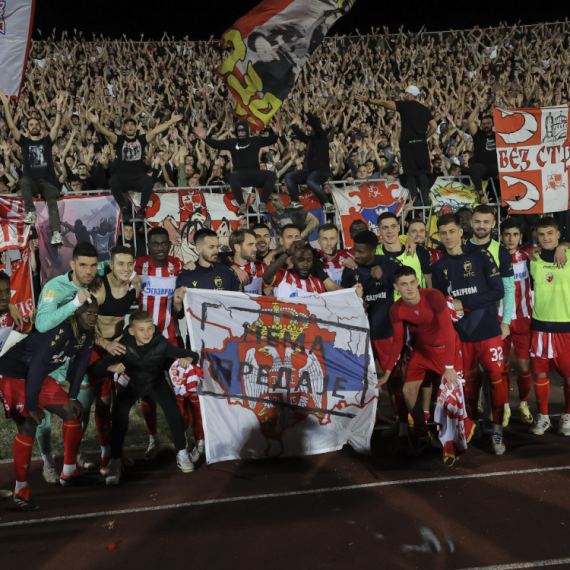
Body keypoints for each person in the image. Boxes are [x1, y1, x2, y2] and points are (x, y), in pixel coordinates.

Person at [0, 300, 99, 510]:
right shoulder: (60, 330)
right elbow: (37, 364)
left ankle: (69, 472)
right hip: (13, 374)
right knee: (28, 425)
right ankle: (21, 489)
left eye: (95, 313)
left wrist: (73, 396)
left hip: (38, 377)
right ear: (74, 314)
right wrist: (33, 404)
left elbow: (81, 363)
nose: (93, 317)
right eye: (88, 313)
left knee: (72, 413)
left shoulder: (87, 333)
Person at [93, 310, 197, 484]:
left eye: (150, 328)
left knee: (174, 414)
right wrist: (111, 368)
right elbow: (98, 369)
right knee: (119, 421)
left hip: (156, 383)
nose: (147, 333)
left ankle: (182, 452)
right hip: (131, 385)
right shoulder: (123, 345)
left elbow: (191, 355)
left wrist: (188, 358)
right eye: (142, 330)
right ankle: (116, 461)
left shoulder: (160, 343)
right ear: (132, 331)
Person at [432, 213, 507, 454]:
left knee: (496, 379)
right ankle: (470, 426)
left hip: (488, 331)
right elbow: (442, 305)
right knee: (469, 387)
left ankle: (496, 430)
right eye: (443, 233)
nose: (448, 237)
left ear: (461, 232)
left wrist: (464, 302)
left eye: (452, 231)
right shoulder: (439, 267)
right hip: (461, 336)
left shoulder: (481, 255)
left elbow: (497, 292)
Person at [378, 267, 467, 461]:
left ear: (418, 281)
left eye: (412, 282)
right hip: (422, 351)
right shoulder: (396, 309)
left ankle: (453, 444)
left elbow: (449, 332)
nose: (409, 288)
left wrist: (449, 368)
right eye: (404, 284)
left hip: (446, 350)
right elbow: (398, 342)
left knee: (452, 400)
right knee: (409, 391)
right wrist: (386, 372)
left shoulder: (434, 296)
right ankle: (421, 435)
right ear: (396, 287)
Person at [134, 226, 185, 459]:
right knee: (147, 393)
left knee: (180, 389)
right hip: (145, 343)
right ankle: (152, 438)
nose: (161, 247)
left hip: (171, 338)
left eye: (164, 243)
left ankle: (184, 440)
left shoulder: (179, 265)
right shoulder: (138, 265)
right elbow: (112, 267)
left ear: (169, 244)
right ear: (149, 246)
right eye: (156, 244)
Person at [90, 246, 141, 474]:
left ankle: (115, 451)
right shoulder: (100, 288)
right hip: (97, 349)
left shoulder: (133, 287)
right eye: (120, 263)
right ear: (111, 265)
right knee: (101, 403)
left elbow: (139, 285)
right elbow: (83, 324)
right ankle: (103, 456)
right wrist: (106, 344)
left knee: (119, 403)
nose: (125, 268)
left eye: (129, 264)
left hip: (117, 349)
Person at [86, 112, 183, 221]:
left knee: (148, 180)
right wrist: (97, 123)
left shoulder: (141, 139)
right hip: (123, 178)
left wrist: (171, 121)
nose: (130, 126)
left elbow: (156, 130)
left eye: (132, 124)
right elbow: (107, 133)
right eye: (128, 124)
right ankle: (124, 208)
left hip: (138, 178)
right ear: (124, 128)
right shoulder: (119, 140)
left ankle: (142, 209)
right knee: (113, 181)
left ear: (136, 127)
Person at [0, 89, 66, 245]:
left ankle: (57, 234)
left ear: (40, 127)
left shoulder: (46, 141)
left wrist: (59, 107)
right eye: (31, 124)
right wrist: (6, 105)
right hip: (31, 181)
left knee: (52, 200)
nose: (34, 126)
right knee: (23, 181)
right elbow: (11, 126)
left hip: (47, 182)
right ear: (28, 128)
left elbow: (56, 126)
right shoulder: (24, 142)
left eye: (36, 124)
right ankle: (31, 212)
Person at [357, 85, 437, 204]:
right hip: (421, 145)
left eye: (405, 93)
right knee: (422, 172)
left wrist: (368, 100)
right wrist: (424, 137)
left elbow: (384, 103)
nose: (403, 95)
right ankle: (426, 198)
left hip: (408, 146)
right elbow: (434, 126)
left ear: (410, 95)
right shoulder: (424, 109)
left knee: (409, 173)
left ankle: (415, 199)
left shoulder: (405, 105)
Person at [528, 218, 570, 436]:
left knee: (568, 375)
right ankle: (543, 416)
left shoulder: (568, 255)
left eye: (550, 233)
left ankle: (568, 416)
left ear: (558, 234)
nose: (546, 238)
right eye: (542, 234)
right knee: (539, 373)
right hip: (541, 326)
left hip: (566, 326)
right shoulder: (532, 258)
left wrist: (565, 246)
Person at [194, 122, 279, 215]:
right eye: (239, 129)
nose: (241, 131)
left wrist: (275, 133)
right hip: (240, 175)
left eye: (243, 129)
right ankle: (242, 204)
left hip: (255, 173)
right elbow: (216, 144)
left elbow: (271, 140)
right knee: (233, 176)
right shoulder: (232, 142)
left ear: (247, 130)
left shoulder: (255, 140)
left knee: (271, 175)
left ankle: (263, 204)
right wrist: (205, 138)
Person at [499, 218, 533, 425]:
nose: (511, 239)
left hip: (522, 319)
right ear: (501, 236)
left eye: (515, 234)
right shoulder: (494, 256)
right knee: (501, 366)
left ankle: (523, 403)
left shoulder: (530, 256)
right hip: (499, 319)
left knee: (524, 366)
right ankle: (504, 407)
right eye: (507, 234)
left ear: (521, 236)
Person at [285, 113, 334, 212]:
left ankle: (326, 202)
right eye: (306, 125)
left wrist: (307, 112)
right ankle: (295, 202)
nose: (306, 127)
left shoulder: (321, 137)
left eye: (309, 125)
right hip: (309, 172)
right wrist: (293, 125)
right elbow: (300, 134)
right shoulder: (310, 140)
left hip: (321, 172)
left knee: (310, 181)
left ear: (314, 127)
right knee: (289, 176)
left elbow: (316, 123)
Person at [375, 212, 432, 294]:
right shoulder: (373, 253)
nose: (390, 231)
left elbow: (430, 284)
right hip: (388, 306)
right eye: (385, 228)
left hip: (415, 305)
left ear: (398, 228)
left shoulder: (419, 250)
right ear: (378, 231)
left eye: (393, 226)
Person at [467, 111, 498, 200]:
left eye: (488, 123)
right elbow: (469, 121)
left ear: (493, 124)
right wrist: (477, 106)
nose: (486, 125)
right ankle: (481, 194)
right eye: (483, 124)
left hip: (495, 167)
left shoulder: (498, 136)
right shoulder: (478, 134)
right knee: (474, 168)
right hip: (481, 166)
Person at [228, 229, 267, 295]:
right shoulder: (225, 268)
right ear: (237, 247)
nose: (255, 249)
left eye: (255, 245)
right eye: (250, 245)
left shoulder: (262, 267)